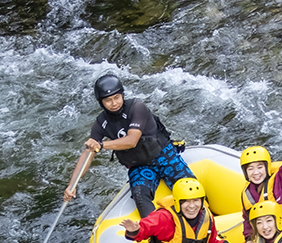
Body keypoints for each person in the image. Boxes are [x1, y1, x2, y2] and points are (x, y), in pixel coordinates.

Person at [63, 74, 194, 217]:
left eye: (117, 97)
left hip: (163, 155)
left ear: (122, 95)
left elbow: (132, 140)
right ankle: (157, 231)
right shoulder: (101, 123)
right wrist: (72, 185)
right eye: (108, 100)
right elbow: (88, 153)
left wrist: (101, 144)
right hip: (139, 166)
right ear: (101, 103)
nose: (114, 103)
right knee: (140, 195)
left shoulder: (137, 107)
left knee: (191, 190)